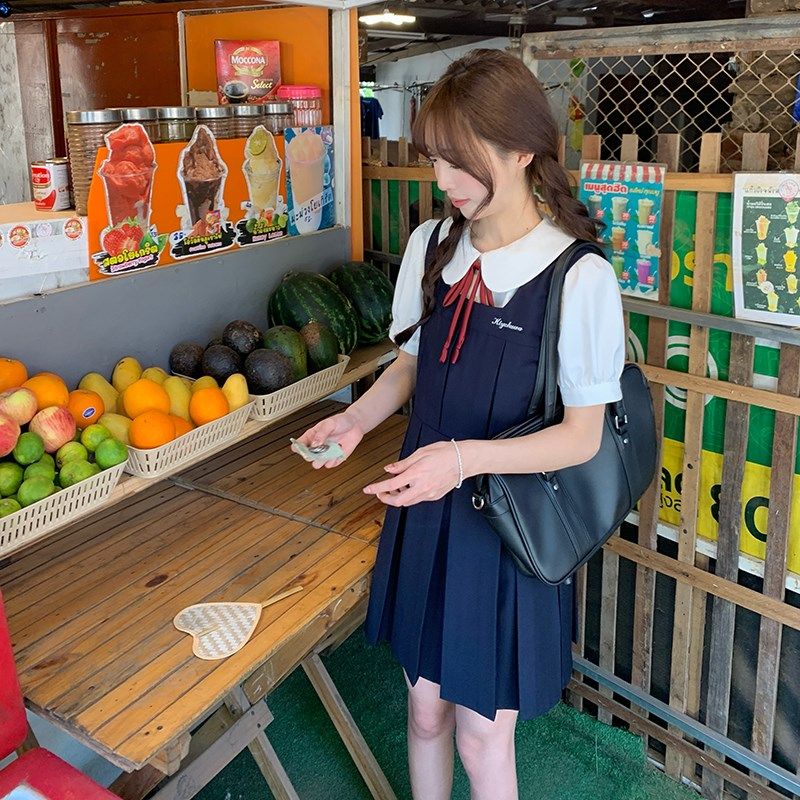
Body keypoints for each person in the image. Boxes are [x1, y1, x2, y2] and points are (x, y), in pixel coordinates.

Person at [295, 49, 625, 800]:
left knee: (482, 735)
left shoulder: (580, 277)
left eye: (457, 162)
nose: (440, 181)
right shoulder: (430, 246)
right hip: (428, 509)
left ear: (521, 150)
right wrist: (355, 424)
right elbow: (409, 366)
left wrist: (461, 459)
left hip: (508, 528)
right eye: (433, 160)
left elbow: (581, 436)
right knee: (422, 711)